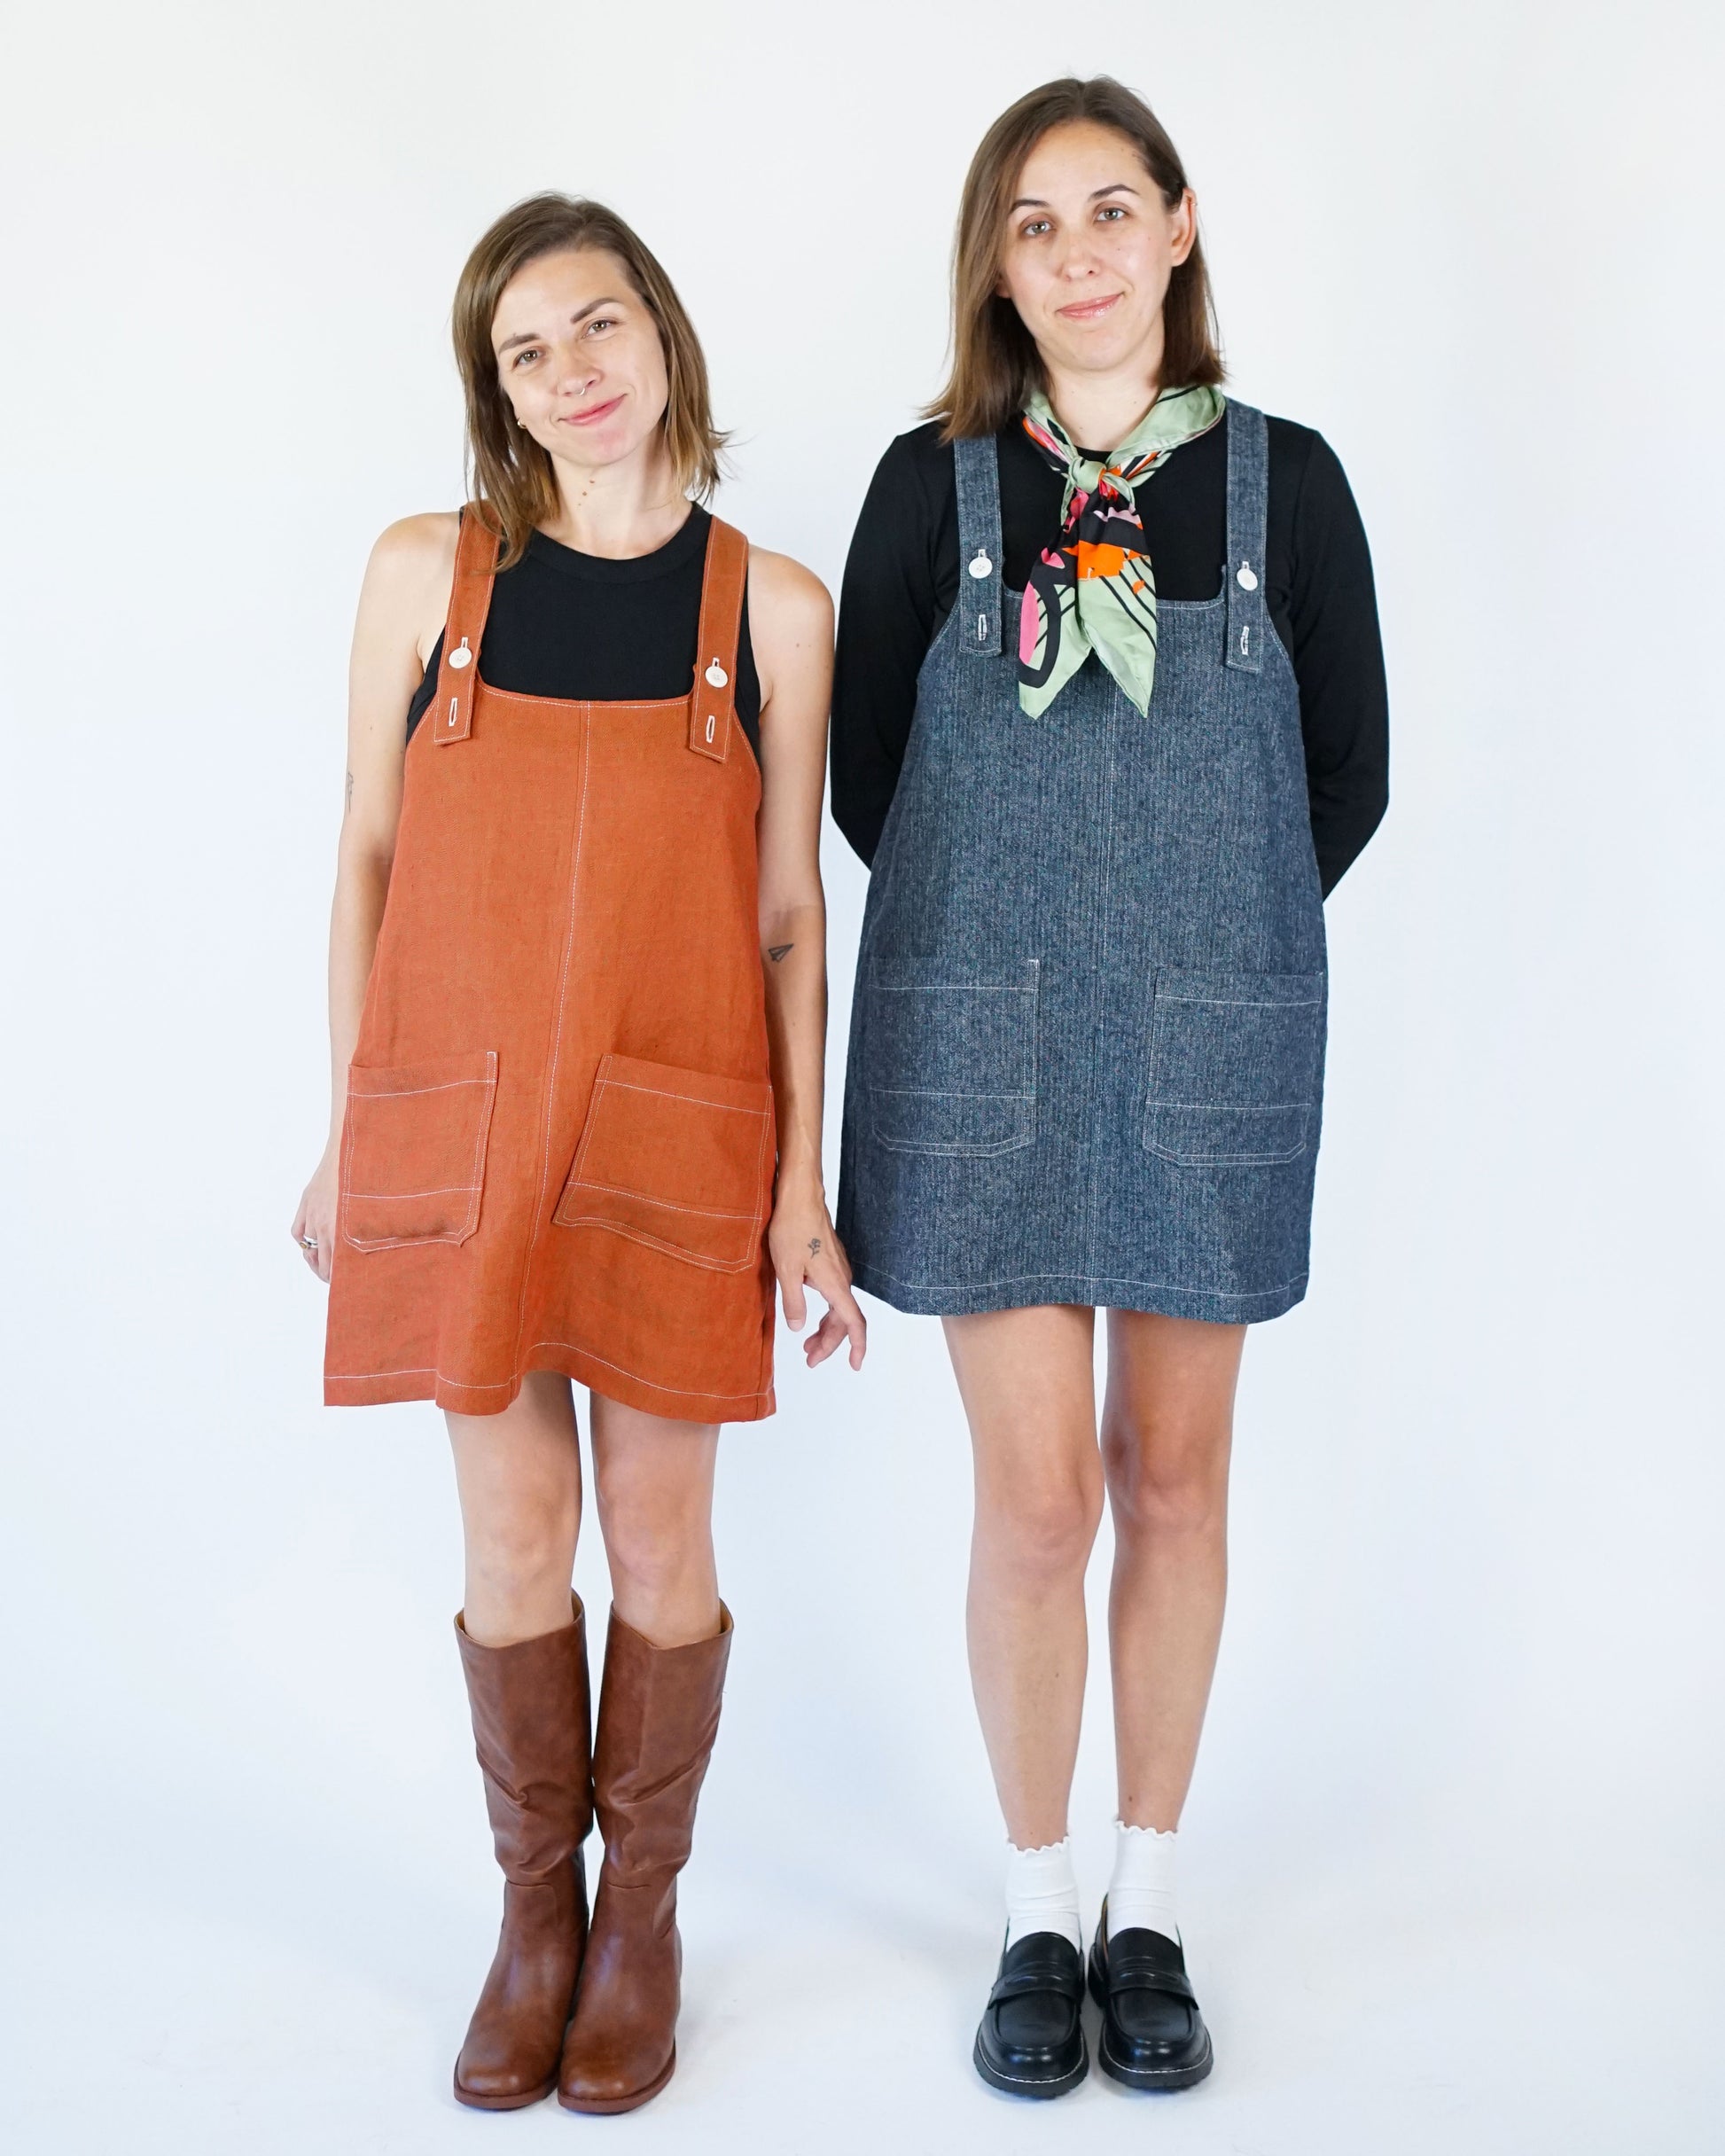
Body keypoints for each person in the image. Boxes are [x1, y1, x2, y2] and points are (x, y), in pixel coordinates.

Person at [831, 78, 1387, 2097]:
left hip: (1209, 1032)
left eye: (1109, 210)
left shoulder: (1282, 486)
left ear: (1174, 234)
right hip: (981, 1026)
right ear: (997, 263)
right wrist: (1028, 940)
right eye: (1032, 222)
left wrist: (1198, 936)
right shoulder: (933, 489)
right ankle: (1032, 1906)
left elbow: (1350, 774)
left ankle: (1146, 1893)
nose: (1074, 253)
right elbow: (867, 782)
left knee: (1172, 1477)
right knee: (1037, 1498)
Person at [292, 191, 864, 2114]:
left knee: (662, 1538)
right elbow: (366, 860)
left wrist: (803, 1188)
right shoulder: (422, 577)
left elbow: (791, 919)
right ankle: (538, 1915)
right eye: (526, 353)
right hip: (459, 1124)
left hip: (682, 1128)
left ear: (664, 329)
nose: (573, 375)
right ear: (496, 391)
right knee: (514, 1533)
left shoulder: (767, 607)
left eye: (598, 326)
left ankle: (645, 1925)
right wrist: (351, 1125)